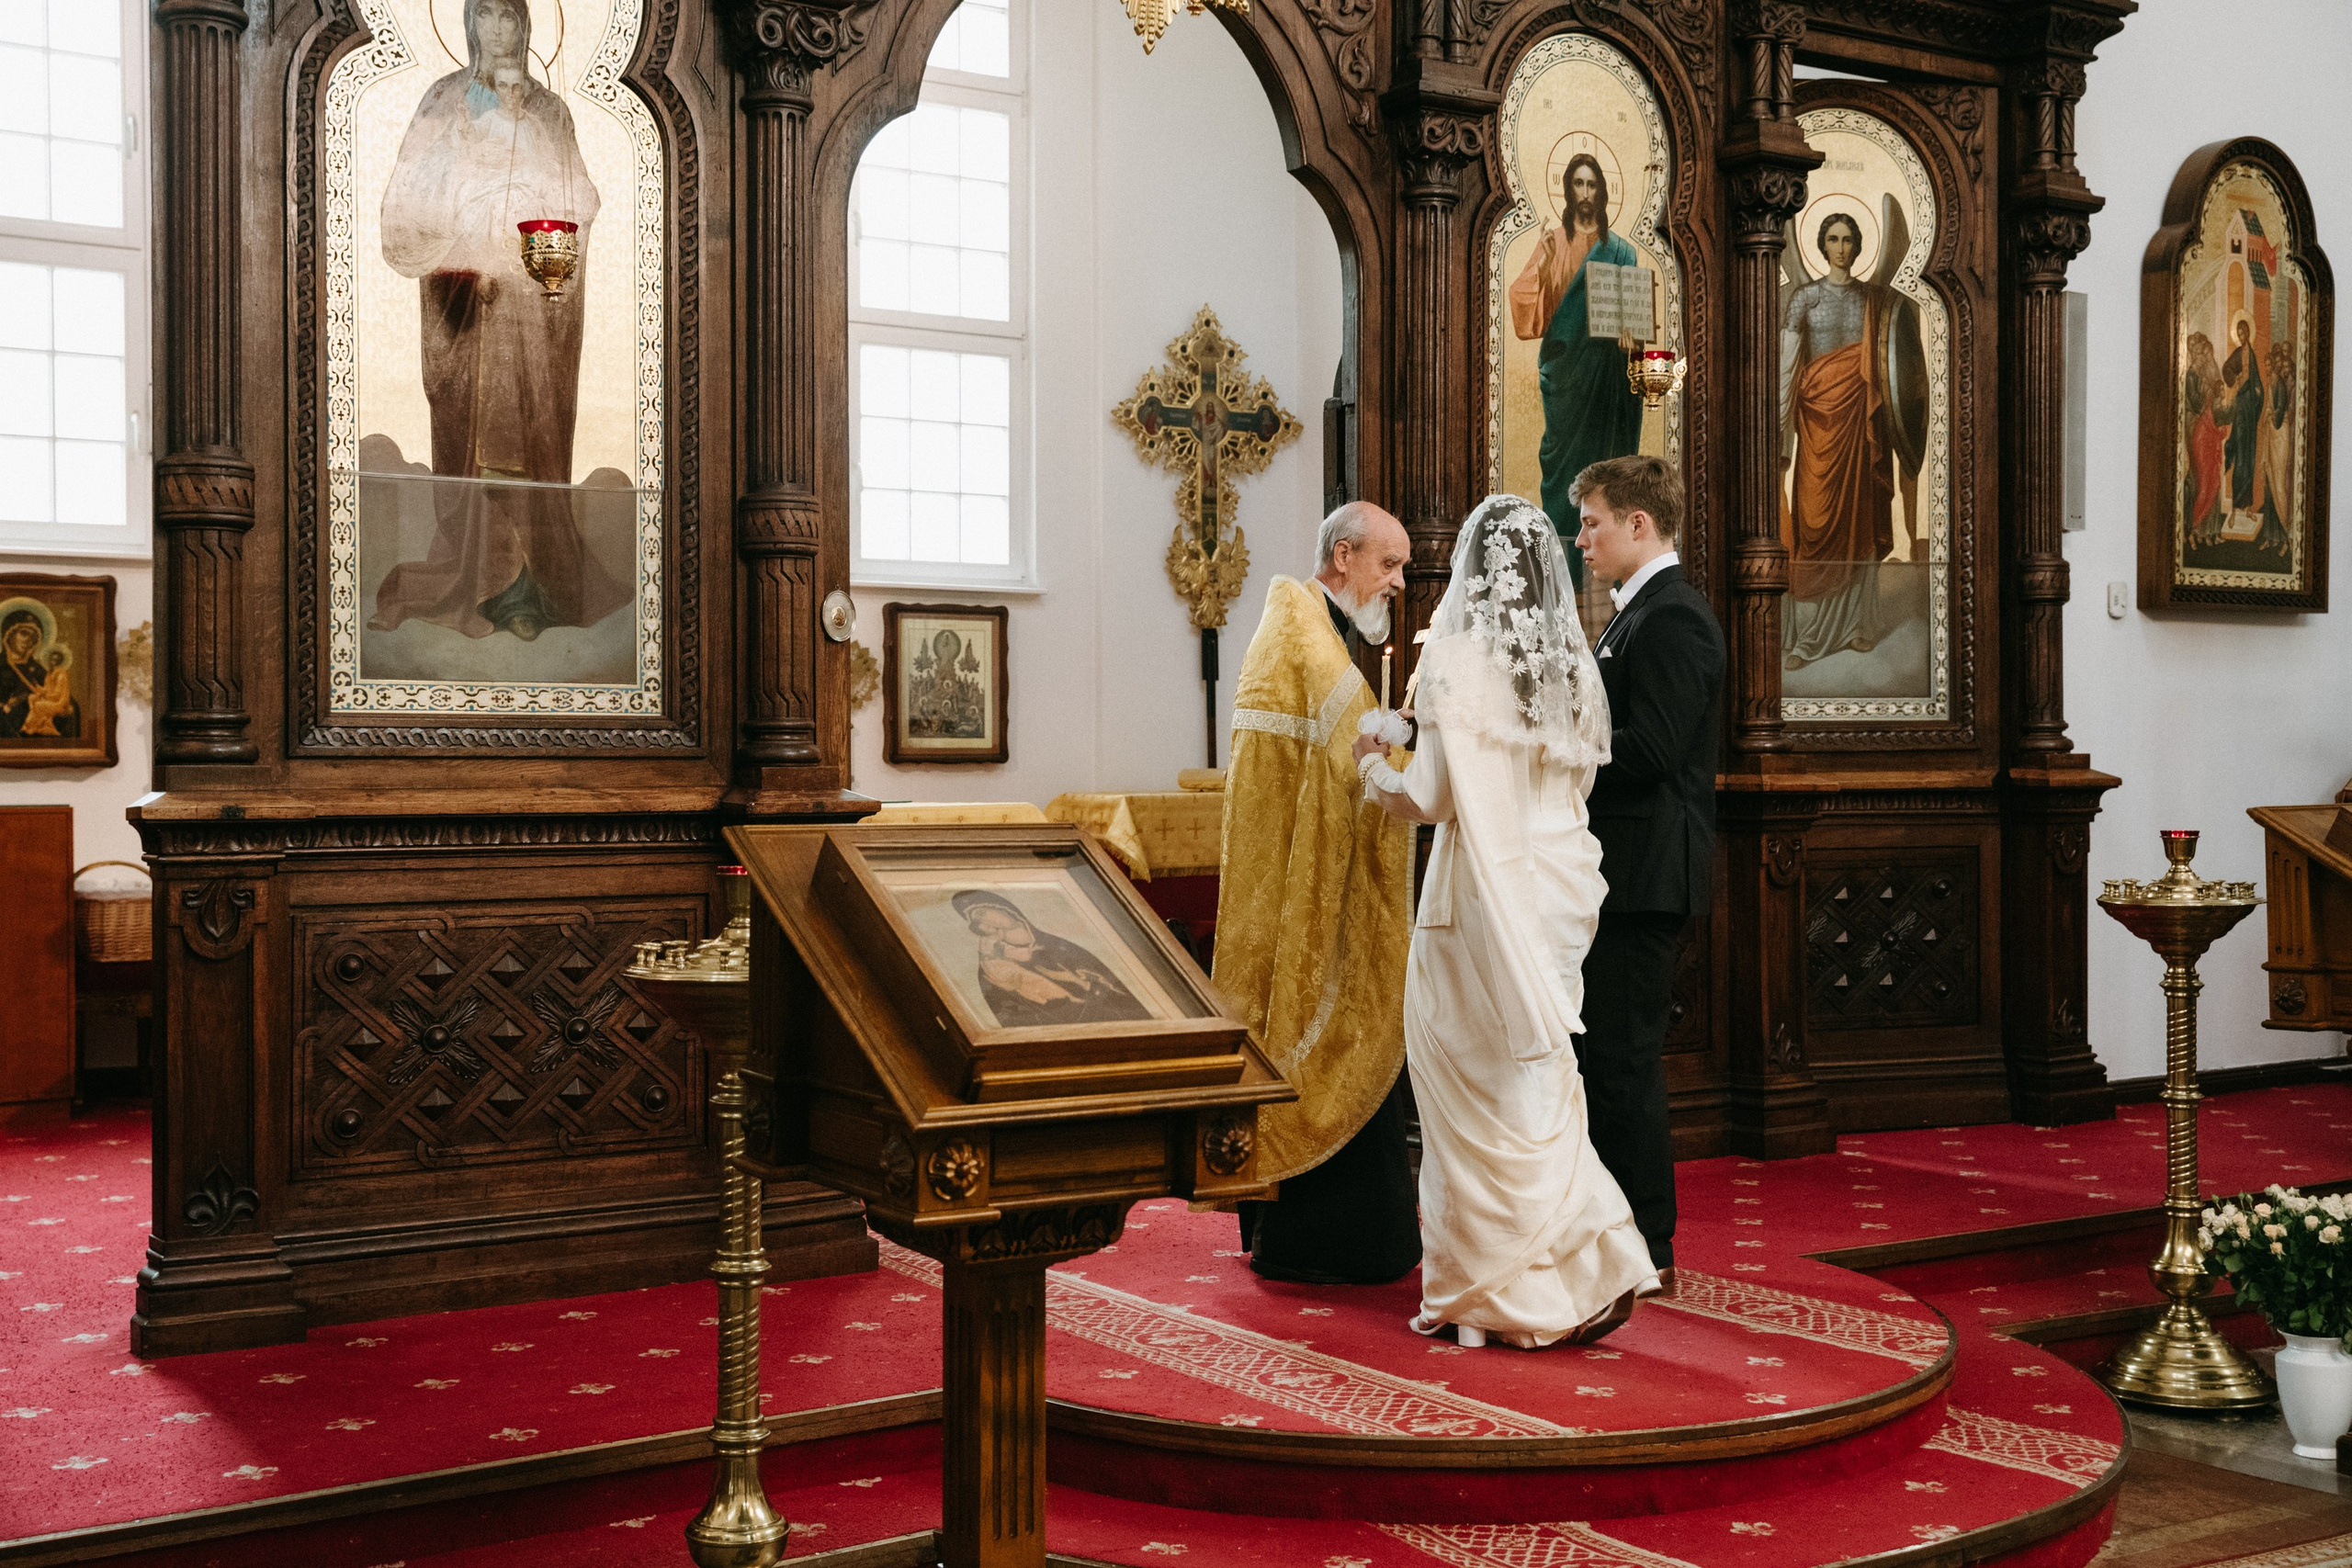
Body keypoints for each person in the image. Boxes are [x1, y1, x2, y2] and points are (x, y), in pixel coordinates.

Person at [1356, 494, 1654, 1348]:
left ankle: (1491, 1296)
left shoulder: (1455, 657)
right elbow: (1578, 783)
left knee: (1467, 1083)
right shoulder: (1568, 663)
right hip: (1559, 890)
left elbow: (1434, 794)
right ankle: (1573, 1269)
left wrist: (1373, 765)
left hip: (1478, 898)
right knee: (1537, 1078)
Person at [370, 0, 627, 643]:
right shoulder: (444, 101)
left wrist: (542, 224)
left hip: (531, 308)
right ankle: (476, 582)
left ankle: (531, 591)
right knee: (478, 436)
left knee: (527, 435)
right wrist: (466, 253)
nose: (499, 31)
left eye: (510, 17)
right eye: (486, 16)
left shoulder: (551, 111)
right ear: (468, 24)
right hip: (469, 298)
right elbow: (410, 200)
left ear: (527, 25)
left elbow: (581, 202)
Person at [1213, 501, 1420, 1286]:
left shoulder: (1311, 629)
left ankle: (1303, 1226)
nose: (1398, 582)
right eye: (1388, 564)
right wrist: (1411, 753)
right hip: (1305, 885)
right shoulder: (1304, 635)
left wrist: (1390, 734)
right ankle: (1324, 1240)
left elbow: (1353, 749)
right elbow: (1347, 767)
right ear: (1343, 556)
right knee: (1319, 1027)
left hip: (1308, 870)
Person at [1570, 455, 1723, 1292]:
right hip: (1620, 870)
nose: (1583, 538)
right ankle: (1618, 1233)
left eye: (1594, 522)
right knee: (1607, 1059)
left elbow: (1656, 750)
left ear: (1639, 524)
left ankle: (1649, 1243)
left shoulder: (1674, 618)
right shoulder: (1633, 613)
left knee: (1625, 1061)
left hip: (1646, 873)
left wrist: (1555, 753)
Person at [1779, 209, 1926, 669]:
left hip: (1861, 429)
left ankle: (1860, 626)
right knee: (1814, 520)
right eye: (1834, 239)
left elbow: (1900, 367)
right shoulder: (1804, 299)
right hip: (1818, 427)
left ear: (1858, 246)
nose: (1841, 247)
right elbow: (1786, 365)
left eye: (1848, 240)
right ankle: (1807, 637)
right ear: (1822, 246)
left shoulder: (1875, 301)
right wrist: (1775, 429)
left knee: (1858, 523)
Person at [1510, 154, 1645, 584]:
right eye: (1578, 185)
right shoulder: (1554, 242)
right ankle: (1555, 576)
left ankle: (1607, 573)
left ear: (1601, 192)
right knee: (1561, 477)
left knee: (1607, 476)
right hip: (1566, 375)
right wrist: (1545, 263)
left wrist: (1631, 335)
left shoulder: (1621, 250)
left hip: (1606, 381)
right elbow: (1525, 306)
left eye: (1592, 185)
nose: (1585, 194)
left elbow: (1634, 317)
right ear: (1568, 191)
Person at [952, 890, 1153, 1029]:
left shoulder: (1056, 943)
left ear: (1002, 907)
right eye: (979, 923)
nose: (985, 922)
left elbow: (1124, 999)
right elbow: (1016, 1022)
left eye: (982, 913)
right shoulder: (992, 971)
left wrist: (1082, 983)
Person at [0, 607, 76, 740]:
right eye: (23, 633)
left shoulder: (39, 669)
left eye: (33, 637)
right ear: (9, 633)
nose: (28, 640)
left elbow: (55, 694)